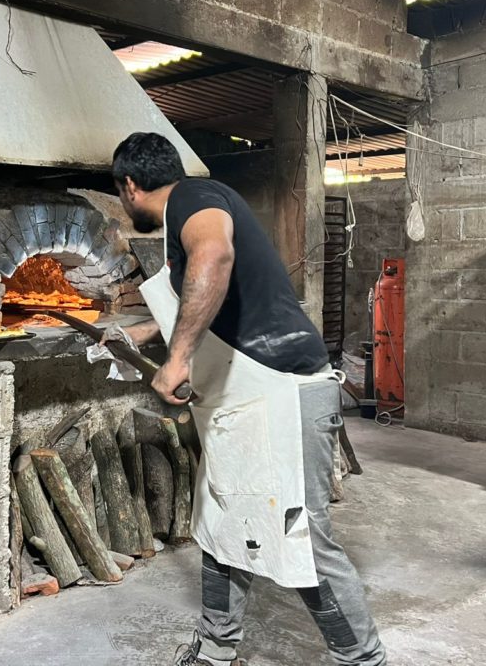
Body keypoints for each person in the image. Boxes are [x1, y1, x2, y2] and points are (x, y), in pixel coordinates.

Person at [109, 132, 387, 666]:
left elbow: (215, 257)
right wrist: (140, 334)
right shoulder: (189, 211)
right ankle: (216, 651)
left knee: (300, 538)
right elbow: (212, 301)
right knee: (221, 524)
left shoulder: (193, 197)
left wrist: (178, 359)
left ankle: (365, 660)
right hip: (243, 400)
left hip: (281, 390)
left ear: (130, 186)